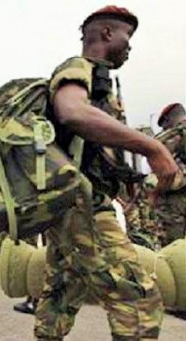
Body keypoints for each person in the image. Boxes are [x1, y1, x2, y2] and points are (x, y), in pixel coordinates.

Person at [33, 6, 179, 340]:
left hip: (69, 205)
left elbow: (94, 150)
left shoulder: (101, 85)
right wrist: (153, 147)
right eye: (128, 36)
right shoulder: (78, 67)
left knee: (60, 296)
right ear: (108, 33)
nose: (130, 46)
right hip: (82, 204)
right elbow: (71, 112)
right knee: (138, 298)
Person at [155, 103, 186, 247]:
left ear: (167, 120)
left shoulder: (172, 136)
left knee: (175, 247)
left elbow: (166, 173)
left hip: (176, 202)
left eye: (164, 125)